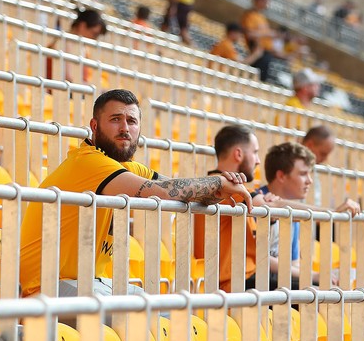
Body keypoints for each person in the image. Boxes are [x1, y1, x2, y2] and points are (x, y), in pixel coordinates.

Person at [18, 90, 252, 298]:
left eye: (131, 121)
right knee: (138, 321)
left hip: (88, 284)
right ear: (95, 125)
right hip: (47, 288)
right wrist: (219, 181)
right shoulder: (88, 162)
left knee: (165, 316)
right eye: (115, 119)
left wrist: (220, 190)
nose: (124, 128)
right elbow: (164, 192)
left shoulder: (127, 168)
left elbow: (180, 189)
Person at [257, 142, 341, 287]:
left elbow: (293, 264)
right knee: (322, 294)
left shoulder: (294, 212)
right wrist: (313, 276)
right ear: (281, 176)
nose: (309, 180)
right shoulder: (257, 203)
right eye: (303, 174)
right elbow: (257, 258)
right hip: (254, 285)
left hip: (278, 283)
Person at [192, 125, 262, 292]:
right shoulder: (227, 186)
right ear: (238, 154)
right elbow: (270, 208)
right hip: (234, 283)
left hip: (242, 278)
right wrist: (329, 213)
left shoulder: (214, 183)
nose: (258, 160)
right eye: (255, 152)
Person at [46, 9, 107, 85]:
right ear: (82, 26)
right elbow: (67, 78)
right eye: (94, 34)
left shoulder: (81, 47)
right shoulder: (64, 43)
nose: (94, 39)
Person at [240, 0, 283, 83]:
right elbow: (250, 34)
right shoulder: (250, 15)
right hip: (257, 51)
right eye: (264, 0)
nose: (267, 3)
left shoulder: (261, 16)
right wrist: (267, 33)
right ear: (258, 1)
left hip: (266, 52)